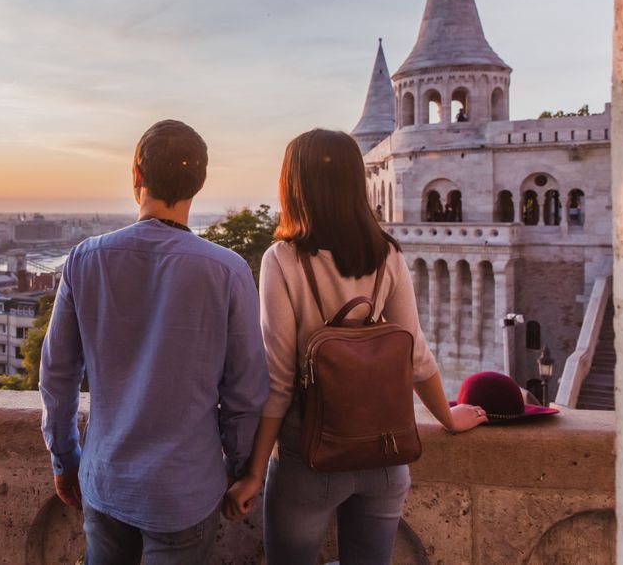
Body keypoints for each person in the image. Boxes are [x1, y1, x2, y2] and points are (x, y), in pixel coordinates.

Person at [222, 129, 486, 564]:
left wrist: (253, 472)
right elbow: (415, 354)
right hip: (384, 455)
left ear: (294, 184)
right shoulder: (387, 254)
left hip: (309, 458)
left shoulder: (283, 260)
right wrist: (448, 419)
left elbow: (279, 379)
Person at [40, 119, 269, 565]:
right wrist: (241, 470)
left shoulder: (85, 259)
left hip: (105, 478)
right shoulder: (227, 270)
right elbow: (245, 392)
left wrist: (65, 457)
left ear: (136, 176)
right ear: (198, 184)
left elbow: (58, 375)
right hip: (185, 488)